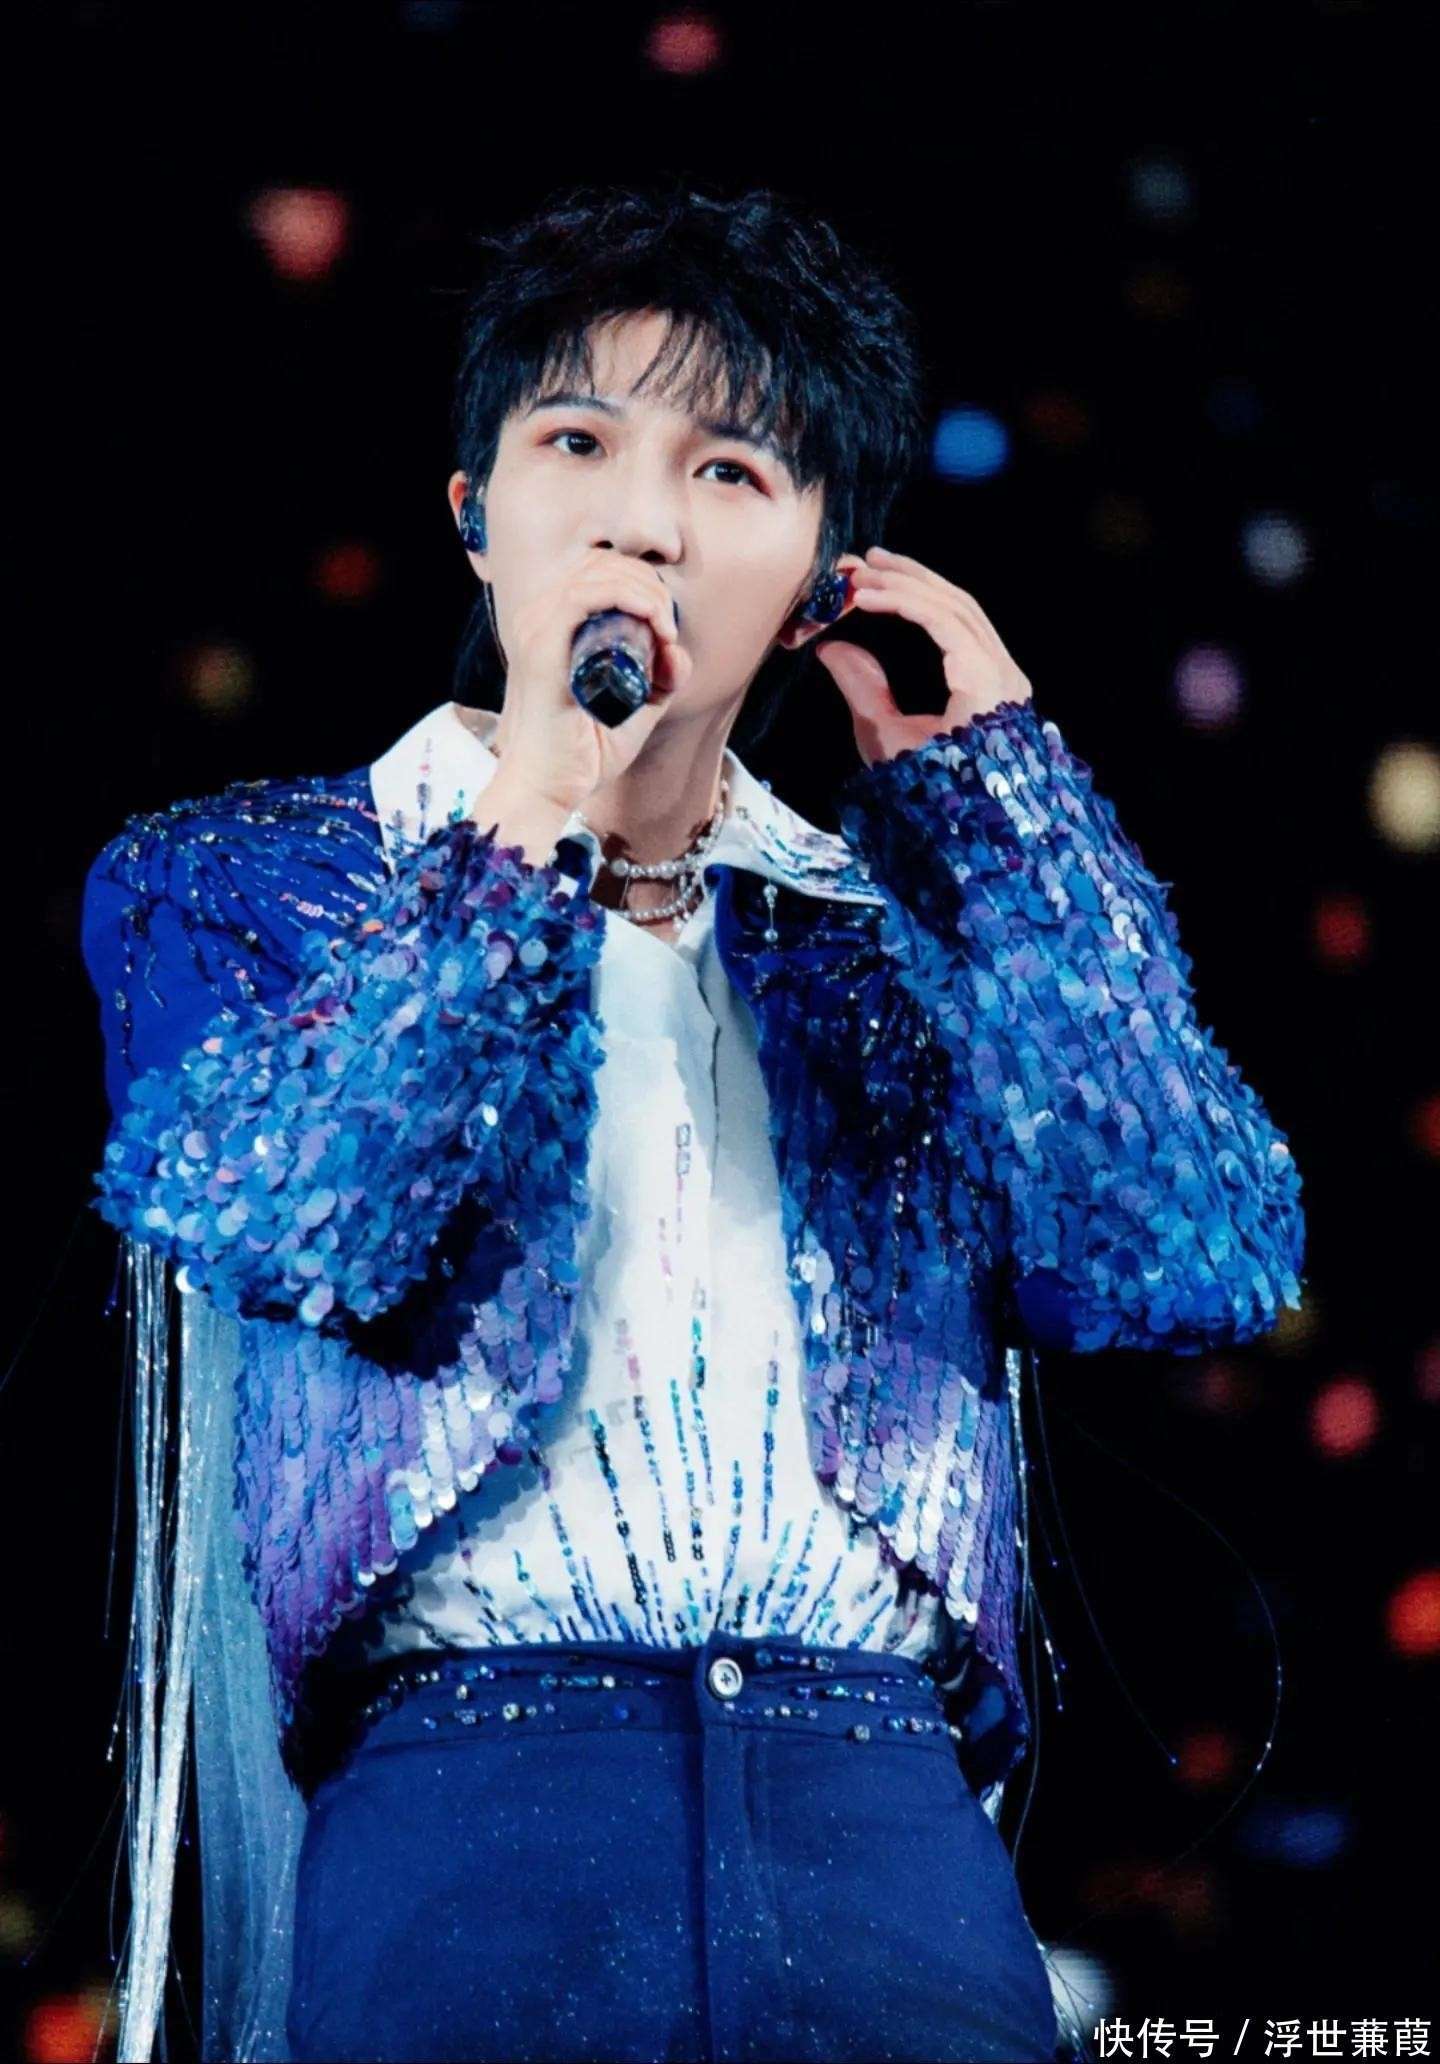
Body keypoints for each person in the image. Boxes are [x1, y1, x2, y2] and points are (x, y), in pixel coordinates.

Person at [81, 179, 1307, 2064]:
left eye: (731, 472)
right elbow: (309, 1220)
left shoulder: (893, 944)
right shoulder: (245, 883)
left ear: (826, 583)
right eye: (577, 445)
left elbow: (1188, 1257)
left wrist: (1008, 822)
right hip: (477, 1818)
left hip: (880, 1830)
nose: (642, 523)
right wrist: (531, 813)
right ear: (476, 513)